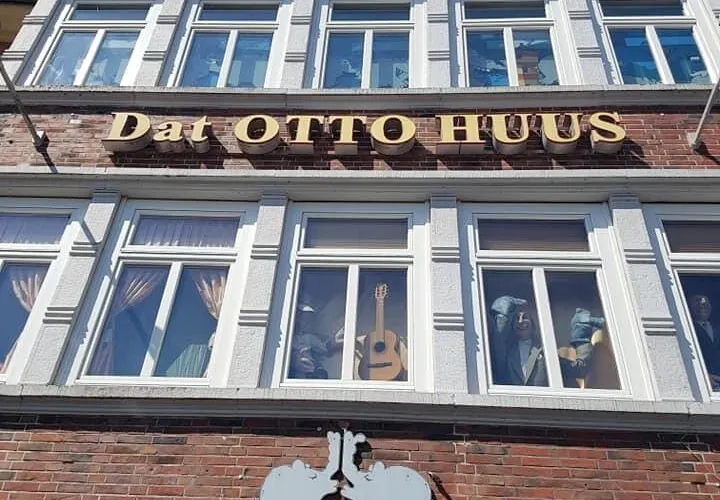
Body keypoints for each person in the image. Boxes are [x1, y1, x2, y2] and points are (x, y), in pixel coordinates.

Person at [688, 294, 720, 390]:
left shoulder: (717, 328)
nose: (703, 303)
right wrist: (703, 376)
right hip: (705, 386)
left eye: (706, 301)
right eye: (697, 300)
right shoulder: (687, 329)